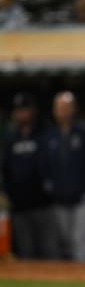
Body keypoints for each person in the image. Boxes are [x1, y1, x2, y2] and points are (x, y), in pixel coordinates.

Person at [42, 91, 85, 262]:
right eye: (59, 108)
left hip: (84, 199)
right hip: (59, 199)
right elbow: (44, 167)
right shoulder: (50, 136)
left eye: (66, 107)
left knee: (81, 242)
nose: (62, 111)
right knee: (64, 242)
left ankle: (83, 278)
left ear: (74, 109)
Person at [1, 92, 57, 259]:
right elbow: (5, 170)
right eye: (18, 110)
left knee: (50, 251)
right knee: (26, 252)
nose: (22, 113)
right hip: (19, 206)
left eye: (25, 109)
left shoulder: (46, 134)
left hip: (44, 205)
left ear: (33, 111)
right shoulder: (11, 139)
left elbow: (53, 166)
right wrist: (8, 192)